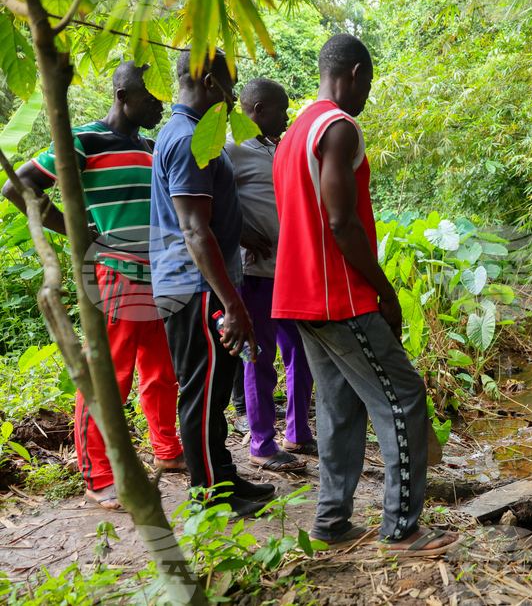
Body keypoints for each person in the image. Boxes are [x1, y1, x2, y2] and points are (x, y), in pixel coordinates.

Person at [271, 33, 459, 554]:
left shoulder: (293, 134)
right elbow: (340, 220)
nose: (367, 95)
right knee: (404, 398)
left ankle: (330, 523)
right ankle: (402, 528)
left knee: (339, 407)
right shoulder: (337, 127)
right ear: (354, 72)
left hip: (299, 294)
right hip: (338, 295)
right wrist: (385, 290)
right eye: (368, 82)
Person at [1, 61, 185, 511]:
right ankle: (99, 474)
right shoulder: (83, 140)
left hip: (158, 272)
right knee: (110, 375)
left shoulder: (149, 146)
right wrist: (79, 234)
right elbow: (17, 186)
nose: (160, 105)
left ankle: (167, 449)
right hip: (115, 273)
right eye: (151, 96)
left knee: (161, 371)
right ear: (122, 95)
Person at [149, 49, 273, 517]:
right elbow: (194, 230)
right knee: (201, 394)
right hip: (195, 287)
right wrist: (233, 303)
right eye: (228, 85)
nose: (233, 97)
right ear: (208, 84)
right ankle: (208, 493)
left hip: (202, 285)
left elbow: (210, 214)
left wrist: (243, 233)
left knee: (216, 390)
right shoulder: (186, 140)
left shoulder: (196, 135)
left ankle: (223, 474)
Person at [225, 77, 314, 473]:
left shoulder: (274, 146)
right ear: (258, 110)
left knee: (301, 352)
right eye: (282, 109)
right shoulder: (228, 147)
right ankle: (262, 443)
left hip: (290, 271)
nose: (287, 115)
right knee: (258, 358)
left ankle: (297, 431)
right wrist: (241, 230)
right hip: (255, 272)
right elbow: (209, 200)